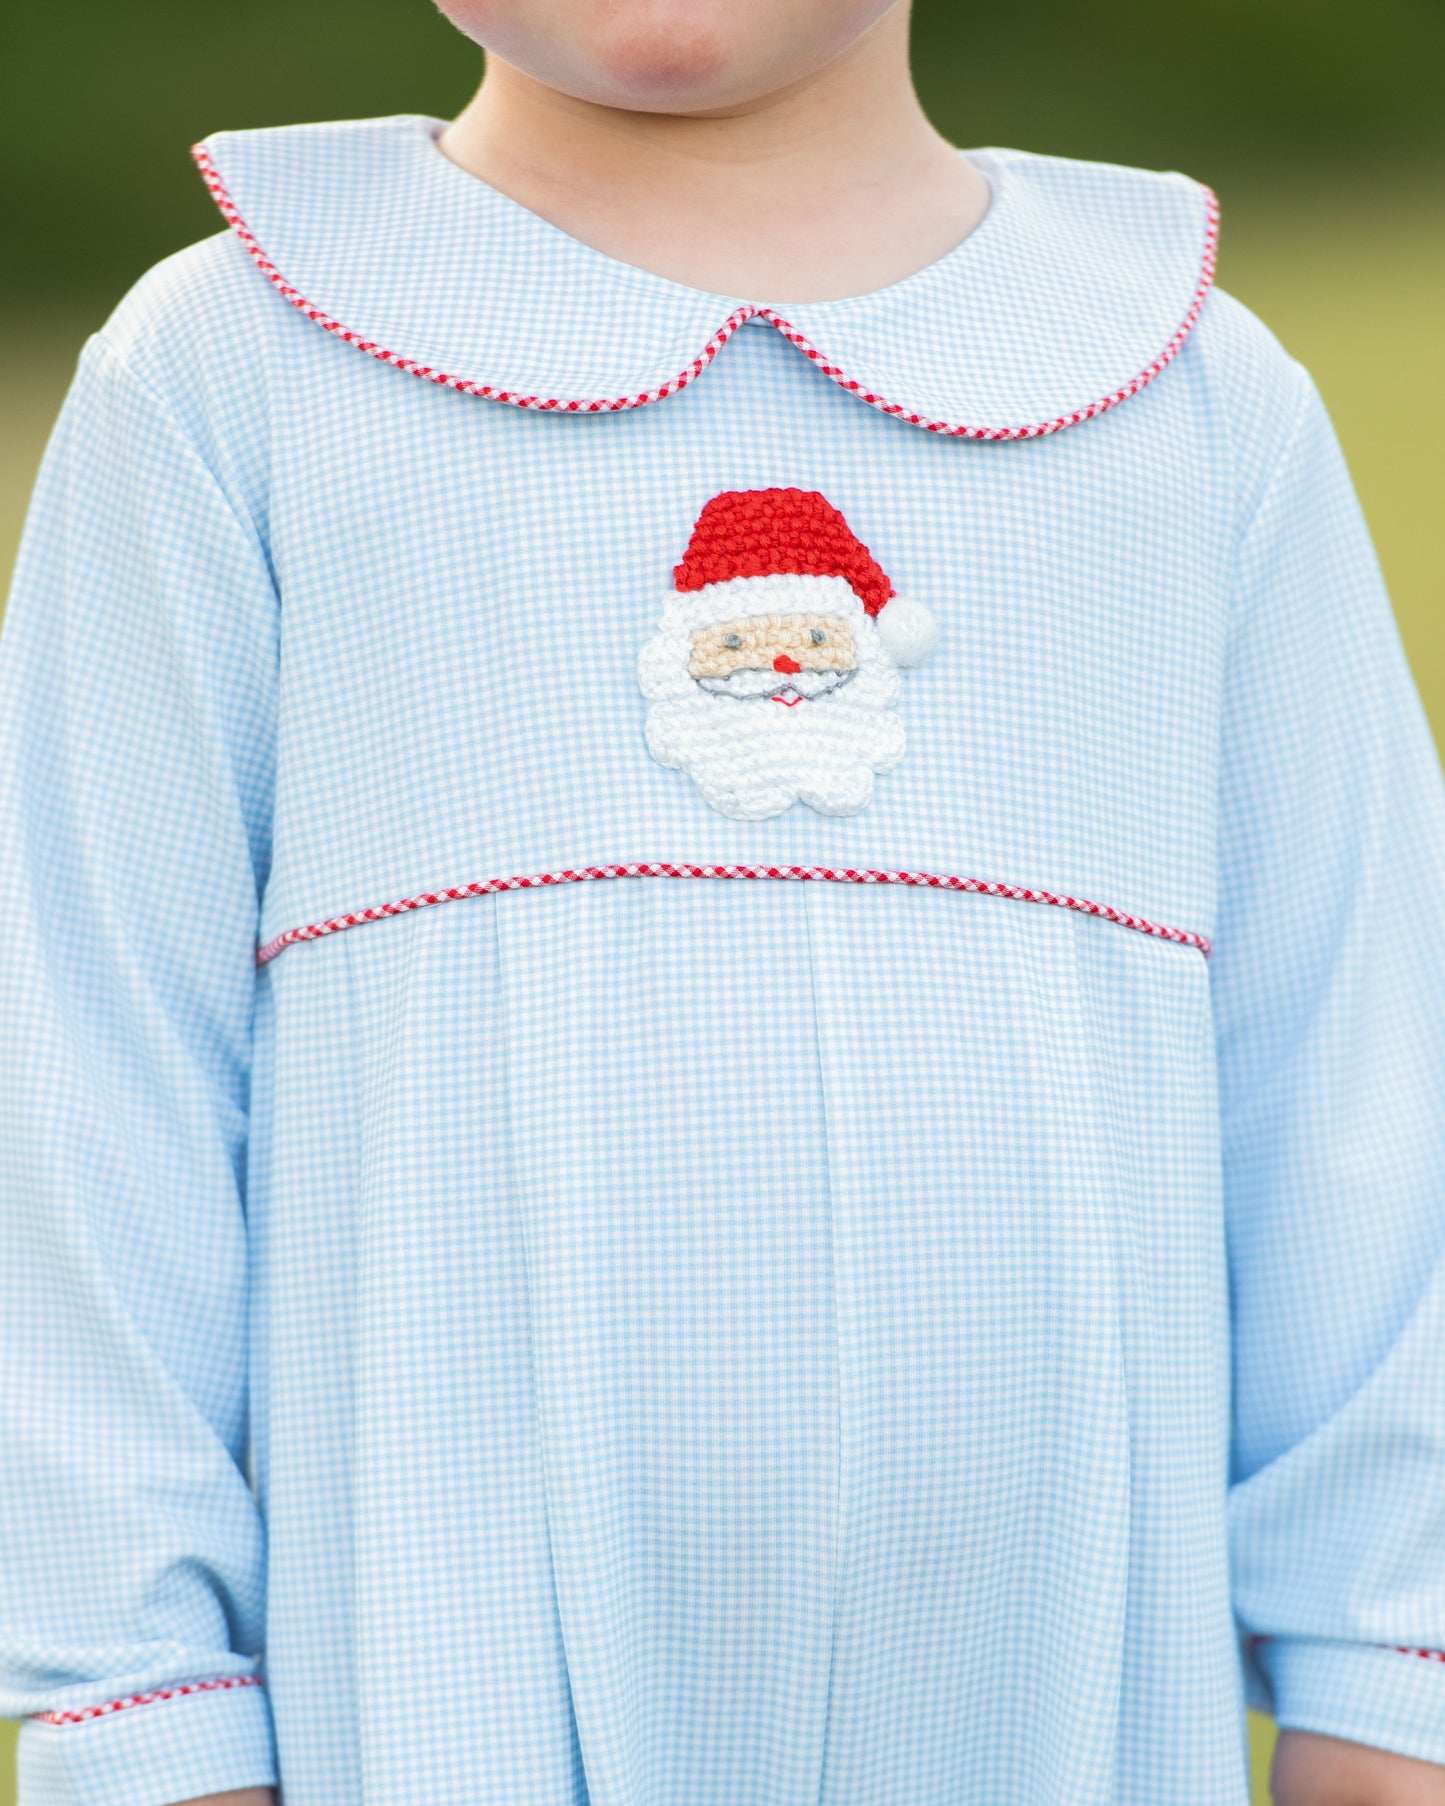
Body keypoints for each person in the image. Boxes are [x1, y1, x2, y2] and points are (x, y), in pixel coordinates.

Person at [2, 2, 1443, 1802]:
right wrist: (138, 1710)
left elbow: (1362, 1079)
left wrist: (1390, 1675)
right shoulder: (227, 374)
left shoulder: (1194, 397)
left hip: (1061, 1704)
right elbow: (85, 1084)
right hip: (433, 1711)